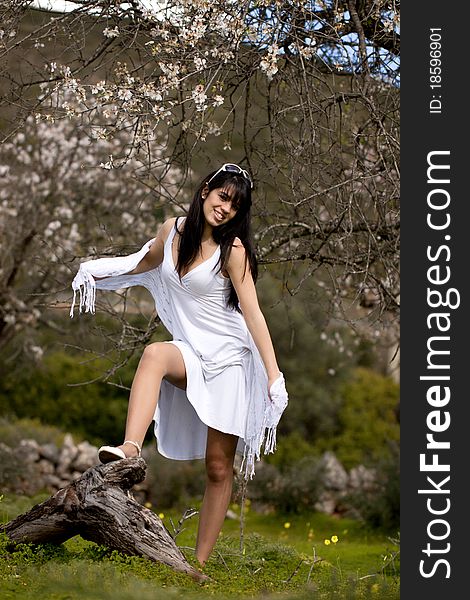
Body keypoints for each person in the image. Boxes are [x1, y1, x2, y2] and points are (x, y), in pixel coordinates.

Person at [70, 163, 288, 567]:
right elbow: (141, 264)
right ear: (206, 190)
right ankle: (130, 450)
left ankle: (198, 567)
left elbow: (254, 315)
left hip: (229, 361)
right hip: (192, 350)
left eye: (235, 206)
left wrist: (273, 376)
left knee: (219, 467)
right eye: (222, 197)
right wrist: (94, 273)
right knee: (154, 353)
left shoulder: (233, 251)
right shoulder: (172, 230)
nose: (225, 209)